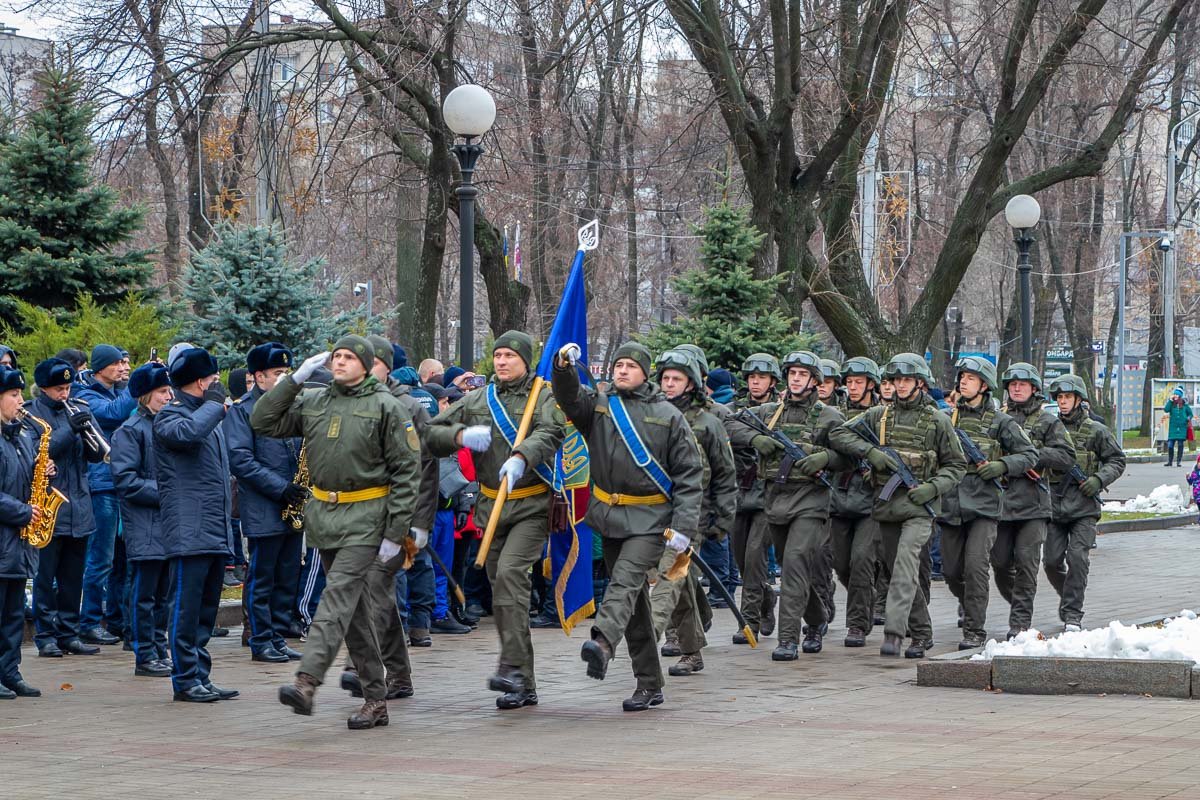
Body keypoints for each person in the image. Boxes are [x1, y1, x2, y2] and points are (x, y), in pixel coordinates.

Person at [252, 335, 421, 730]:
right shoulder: (315, 400)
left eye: (348, 357)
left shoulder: (386, 407)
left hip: (367, 516)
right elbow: (262, 421)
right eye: (336, 356)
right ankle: (375, 700)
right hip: (326, 516)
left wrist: (396, 533)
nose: (339, 362)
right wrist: (294, 380)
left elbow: (407, 473)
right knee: (356, 613)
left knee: (335, 599)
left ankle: (306, 681)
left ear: (366, 364)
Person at [553, 341, 703, 712]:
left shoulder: (669, 416)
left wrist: (684, 527)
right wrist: (563, 367)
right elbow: (570, 399)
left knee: (624, 581)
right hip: (610, 516)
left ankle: (602, 643)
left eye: (630, 366)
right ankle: (650, 684)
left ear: (645, 373)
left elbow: (689, 476)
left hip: (651, 521)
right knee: (634, 605)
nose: (621, 371)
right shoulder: (600, 406)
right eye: (618, 365)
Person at [426, 331, 564, 710]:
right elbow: (431, 434)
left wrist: (523, 455)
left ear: (525, 359)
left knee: (511, 578)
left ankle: (513, 667)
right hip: (492, 506)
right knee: (503, 592)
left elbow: (553, 431)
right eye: (498, 355)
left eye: (510, 356)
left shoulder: (544, 395)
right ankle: (521, 678)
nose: (502, 361)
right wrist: (460, 435)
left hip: (531, 504)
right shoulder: (476, 399)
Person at [828, 354, 966, 659]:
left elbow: (956, 465)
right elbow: (838, 433)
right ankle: (922, 632)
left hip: (919, 507)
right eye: (896, 380)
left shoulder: (937, 421)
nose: (900, 386)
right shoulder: (880, 416)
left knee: (905, 564)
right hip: (887, 506)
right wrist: (870, 453)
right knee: (897, 569)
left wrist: (932, 487)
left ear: (920, 382)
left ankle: (894, 632)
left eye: (906, 380)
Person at [339, 334, 442, 702]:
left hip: (395, 521)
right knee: (367, 596)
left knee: (377, 596)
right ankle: (398, 674)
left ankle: (359, 666)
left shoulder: (410, 407)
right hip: (356, 521)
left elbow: (426, 469)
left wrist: (420, 524)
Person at [728, 351, 849, 660]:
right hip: (775, 500)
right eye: (792, 373)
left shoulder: (828, 417)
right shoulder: (770, 412)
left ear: (814, 380)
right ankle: (818, 618)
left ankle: (788, 639)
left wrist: (826, 458)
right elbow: (729, 424)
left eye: (802, 374)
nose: (796, 378)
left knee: (794, 563)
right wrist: (756, 440)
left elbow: (851, 455)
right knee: (791, 566)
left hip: (811, 501)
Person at [154, 347, 237, 702]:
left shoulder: (209, 417)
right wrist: (214, 407)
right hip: (189, 532)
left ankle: (200, 674)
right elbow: (187, 433)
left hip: (213, 531)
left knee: (205, 612)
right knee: (185, 612)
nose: (218, 385)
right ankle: (185, 679)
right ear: (201, 381)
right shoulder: (169, 417)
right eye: (213, 379)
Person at [938, 357, 1036, 650]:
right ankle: (968, 606)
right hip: (952, 503)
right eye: (962, 377)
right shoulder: (946, 418)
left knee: (976, 567)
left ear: (984, 385)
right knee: (951, 572)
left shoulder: (1000, 421)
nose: (964, 381)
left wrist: (1002, 465)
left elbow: (1029, 455)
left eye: (971, 377)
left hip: (984, 505)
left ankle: (974, 630)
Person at [649, 347, 737, 677]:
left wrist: (722, 519)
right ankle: (693, 647)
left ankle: (648, 636)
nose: (670, 384)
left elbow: (725, 475)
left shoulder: (709, 422)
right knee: (683, 584)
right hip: (655, 514)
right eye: (666, 378)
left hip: (692, 517)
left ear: (691, 384)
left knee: (670, 577)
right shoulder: (652, 415)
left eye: (677, 379)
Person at [225, 342, 305, 664]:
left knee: (287, 576)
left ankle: (278, 636)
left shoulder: (290, 407)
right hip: (264, 506)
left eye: (287, 372)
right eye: (277, 373)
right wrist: (281, 488)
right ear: (258, 376)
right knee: (262, 577)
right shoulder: (244, 411)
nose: (284, 378)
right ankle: (259, 639)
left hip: (292, 504)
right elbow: (241, 461)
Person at [28, 358, 105, 659]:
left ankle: (69, 632)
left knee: (74, 577)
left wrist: (87, 431)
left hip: (79, 505)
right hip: (48, 506)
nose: (65, 393)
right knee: (46, 577)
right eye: (59, 389)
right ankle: (45, 635)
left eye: (68, 387)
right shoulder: (31, 415)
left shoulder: (78, 407)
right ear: (44, 388)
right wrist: (69, 431)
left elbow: (98, 454)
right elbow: (35, 453)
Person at [994, 363, 1076, 640]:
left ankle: (1020, 622)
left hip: (1033, 503)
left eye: (1022, 384)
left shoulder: (1047, 421)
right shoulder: (996, 418)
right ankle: (1018, 602)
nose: (1016, 388)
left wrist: (1030, 454)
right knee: (1000, 563)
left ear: (1034, 389)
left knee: (1028, 564)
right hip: (1001, 502)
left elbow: (1066, 457)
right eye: (1012, 384)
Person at [1044, 375, 1125, 632]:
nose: (1063, 402)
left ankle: (1072, 613)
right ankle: (1069, 594)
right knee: (1051, 562)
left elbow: (1117, 460)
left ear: (1079, 399)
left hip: (1084, 508)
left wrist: (1098, 480)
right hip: (1054, 505)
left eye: (1067, 397)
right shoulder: (1050, 428)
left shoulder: (1096, 430)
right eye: (1059, 397)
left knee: (1077, 558)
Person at [111, 363, 175, 677]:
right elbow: (126, 481)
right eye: (163, 391)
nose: (169, 396)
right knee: (145, 595)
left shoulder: (165, 425)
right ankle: (144, 653)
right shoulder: (130, 431)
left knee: (163, 594)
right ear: (146, 395)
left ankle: (160, 648)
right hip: (145, 525)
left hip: (168, 525)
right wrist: (168, 492)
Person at [75, 344, 135, 645]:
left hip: (122, 483)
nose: (123, 368)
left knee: (123, 560)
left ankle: (117, 620)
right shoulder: (85, 394)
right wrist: (136, 387)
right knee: (101, 558)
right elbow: (113, 415)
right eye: (117, 364)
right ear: (100, 368)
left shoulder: (116, 391)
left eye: (126, 363)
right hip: (102, 485)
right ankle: (88, 621)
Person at [727, 353, 780, 646]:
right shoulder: (734, 409)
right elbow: (725, 428)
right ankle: (765, 598)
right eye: (751, 377)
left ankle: (748, 622)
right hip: (738, 492)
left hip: (767, 495)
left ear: (772, 381)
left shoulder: (780, 411)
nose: (755, 382)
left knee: (755, 555)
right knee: (741, 560)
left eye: (761, 377)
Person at [829, 357, 882, 647]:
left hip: (871, 501)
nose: (852, 387)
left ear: (871, 384)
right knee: (841, 564)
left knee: (861, 560)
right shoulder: (835, 414)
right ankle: (867, 598)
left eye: (858, 382)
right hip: (839, 498)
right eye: (848, 382)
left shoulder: (881, 415)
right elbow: (831, 443)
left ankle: (857, 624)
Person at [0, 365, 41, 699]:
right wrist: (25, 512)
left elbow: (27, 481)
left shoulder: (22, 435)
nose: (21, 401)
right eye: (14, 395)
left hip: (18, 543)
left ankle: (10, 672)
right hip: (5, 536)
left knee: (14, 614)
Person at [1163, 388, 1192, 467]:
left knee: (1180, 445)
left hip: (1182, 428)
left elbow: (1190, 414)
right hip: (1173, 428)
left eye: (1177, 394)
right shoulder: (1172, 404)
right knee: (1170, 445)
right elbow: (1166, 410)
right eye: (1174, 394)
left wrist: (1188, 418)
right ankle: (1170, 461)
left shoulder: (1185, 405)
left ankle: (1178, 461)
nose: (1175, 395)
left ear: (1180, 396)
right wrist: (1170, 401)